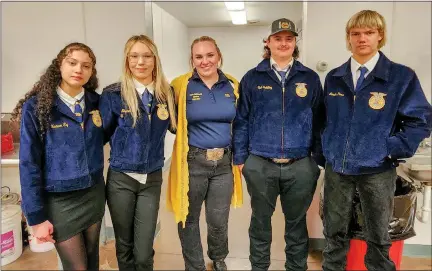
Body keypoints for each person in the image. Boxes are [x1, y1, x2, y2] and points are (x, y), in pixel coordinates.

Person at [321, 10, 432, 271]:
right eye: (356, 33)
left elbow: (420, 120)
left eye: (369, 32)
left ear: (380, 36)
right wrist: (327, 151)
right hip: (337, 169)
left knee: (379, 236)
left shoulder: (400, 77)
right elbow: (323, 121)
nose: (362, 38)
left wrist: (390, 148)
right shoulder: (335, 77)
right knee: (334, 233)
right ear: (348, 38)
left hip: (378, 170)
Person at [232, 18, 325, 270]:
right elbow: (241, 120)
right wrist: (240, 159)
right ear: (268, 42)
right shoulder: (252, 78)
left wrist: (317, 160)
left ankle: (296, 267)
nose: (283, 43)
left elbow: (320, 120)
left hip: (300, 165)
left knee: (296, 226)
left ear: (295, 43)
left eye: (289, 38)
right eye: (278, 38)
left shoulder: (310, 78)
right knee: (260, 223)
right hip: (261, 163)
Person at [13, 42, 105, 270]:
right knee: (76, 267)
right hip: (60, 201)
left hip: (93, 194)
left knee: (92, 260)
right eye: (72, 63)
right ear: (59, 65)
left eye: (86, 66)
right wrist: (36, 218)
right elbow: (29, 164)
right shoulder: (37, 107)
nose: (78, 70)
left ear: (92, 72)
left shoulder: (97, 102)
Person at [100, 35, 177, 271]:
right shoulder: (113, 94)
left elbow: (179, 128)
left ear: (155, 60)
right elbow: (99, 136)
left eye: (146, 56)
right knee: (124, 247)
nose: (140, 62)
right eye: (134, 56)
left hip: (151, 179)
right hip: (121, 179)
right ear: (127, 60)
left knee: (143, 253)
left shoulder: (167, 94)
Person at [167, 36, 243, 271]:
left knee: (218, 219)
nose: (205, 61)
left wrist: (241, 157)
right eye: (198, 57)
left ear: (218, 56)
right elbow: (170, 121)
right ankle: (195, 265)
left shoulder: (232, 84)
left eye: (210, 55)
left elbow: (241, 123)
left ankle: (218, 257)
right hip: (192, 163)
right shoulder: (181, 85)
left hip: (224, 164)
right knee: (188, 218)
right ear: (192, 59)